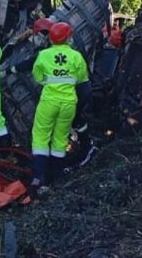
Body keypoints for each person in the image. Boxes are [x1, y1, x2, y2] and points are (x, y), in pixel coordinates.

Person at [30, 22, 89, 189]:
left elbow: (37, 76)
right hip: (69, 103)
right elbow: (82, 80)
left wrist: (50, 82)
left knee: (41, 136)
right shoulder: (76, 56)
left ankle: (38, 177)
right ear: (68, 38)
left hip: (49, 101)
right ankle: (56, 178)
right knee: (60, 139)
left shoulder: (43, 55)